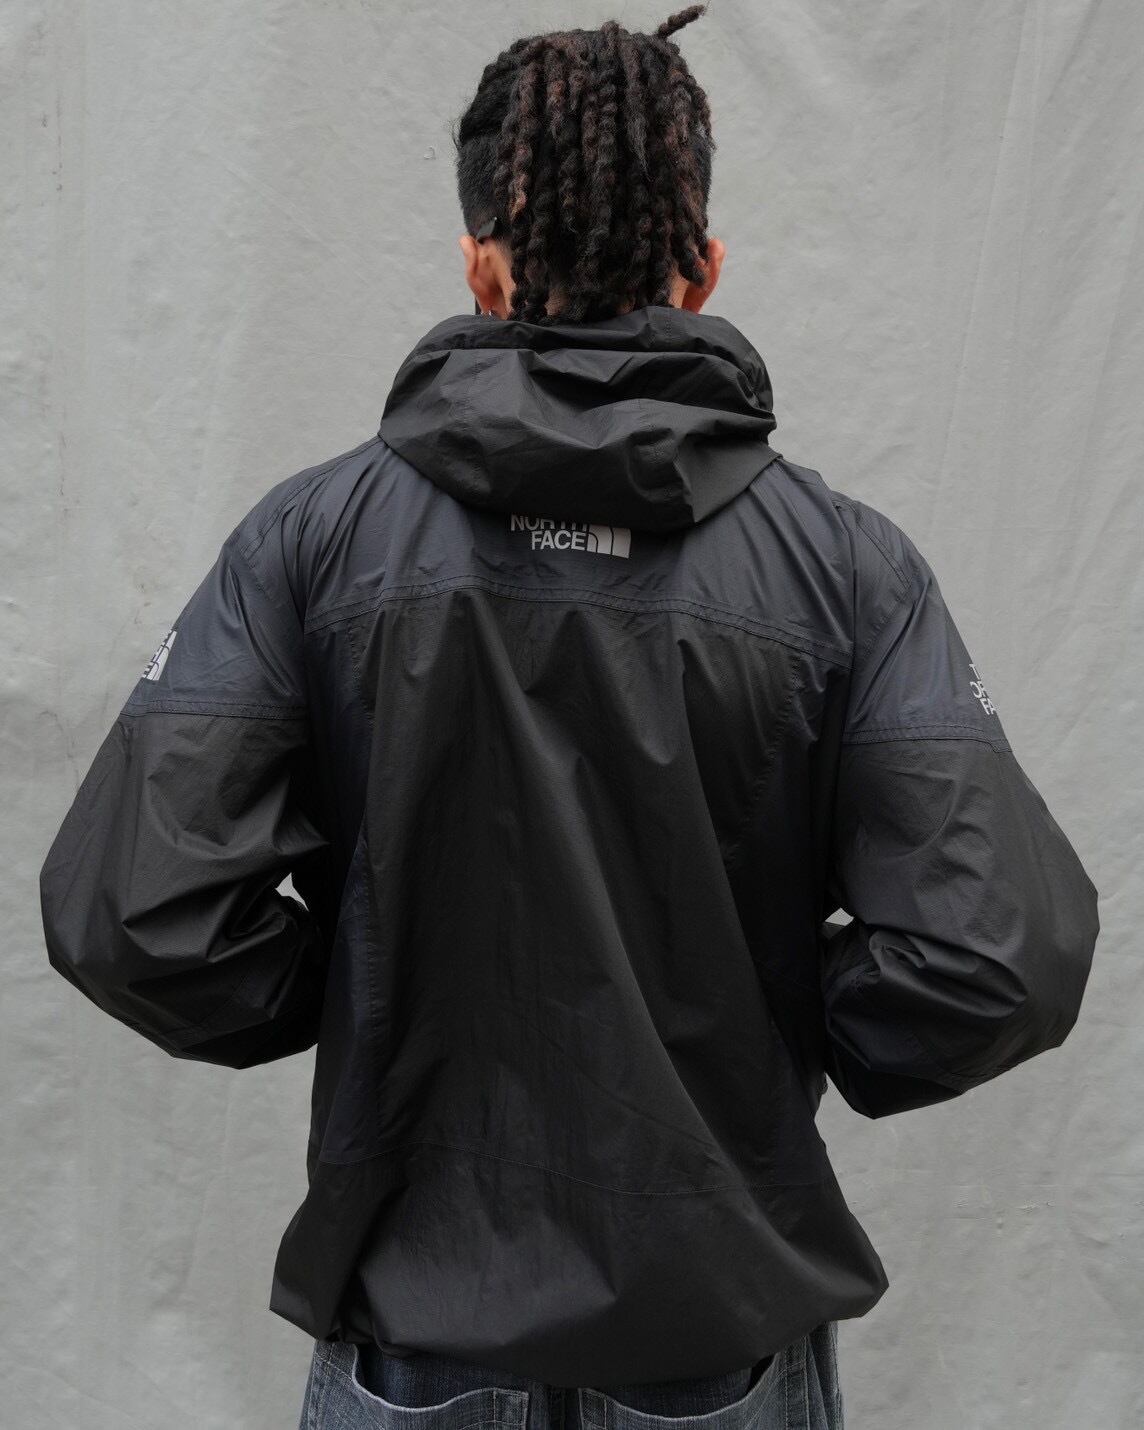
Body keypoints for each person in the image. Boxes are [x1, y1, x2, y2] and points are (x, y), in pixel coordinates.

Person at [38, 7, 1100, 1430]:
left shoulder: (311, 542)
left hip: (412, 1336)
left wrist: (364, 982)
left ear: (479, 265)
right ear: (703, 265)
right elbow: (997, 958)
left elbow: (134, 910)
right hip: (716, 1346)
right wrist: (782, 1012)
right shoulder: (847, 570)